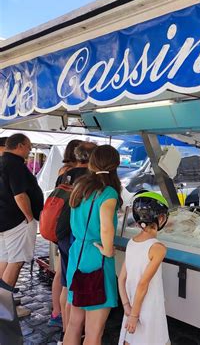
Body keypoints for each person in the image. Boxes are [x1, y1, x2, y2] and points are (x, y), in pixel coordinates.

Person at [63, 145, 122, 345]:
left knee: (73, 324)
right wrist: (108, 249)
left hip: (76, 254)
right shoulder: (108, 193)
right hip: (97, 257)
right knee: (94, 332)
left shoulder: (80, 186)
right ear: (116, 165)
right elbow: (106, 228)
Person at [51, 142, 98, 339]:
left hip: (61, 232)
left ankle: (64, 326)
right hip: (77, 236)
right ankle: (75, 330)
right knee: (75, 284)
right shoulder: (90, 178)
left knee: (65, 280)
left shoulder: (65, 173)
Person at [0, 134, 44, 316]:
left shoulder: (2, 162)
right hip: (16, 221)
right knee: (16, 261)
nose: (29, 150)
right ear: (20, 146)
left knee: (4, 259)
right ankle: (5, 308)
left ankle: (3, 302)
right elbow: (20, 195)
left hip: (3, 220)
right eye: (28, 146)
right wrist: (28, 216)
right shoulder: (15, 165)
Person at [118, 191, 170, 345]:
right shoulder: (158, 248)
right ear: (161, 218)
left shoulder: (131, 242)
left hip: (132, 304)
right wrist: (134, 315)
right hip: (148, 306)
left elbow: (121, 279)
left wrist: (127, 306)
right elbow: (143, 283)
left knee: (131, 339)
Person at [49, 139, 84, 329]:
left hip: (60, 228)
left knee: (62, 274)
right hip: (72, 231)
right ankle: (69, 325)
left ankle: (57, 313)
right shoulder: (80, 175)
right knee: (67, 279)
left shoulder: (63, 173)